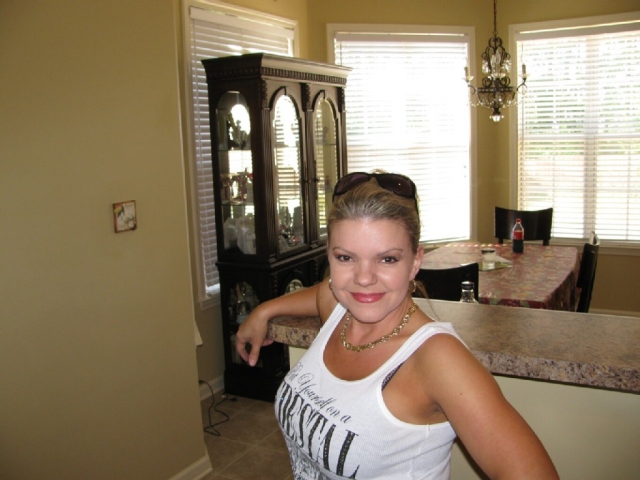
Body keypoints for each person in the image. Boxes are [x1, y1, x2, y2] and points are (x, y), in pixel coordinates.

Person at [236, 171, 559, 479]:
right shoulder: (337, 308)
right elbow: (321, 290)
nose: (363, 278)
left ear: (415, 261)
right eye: (346, 258)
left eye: (387, 259)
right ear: (330, 258)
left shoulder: (437, 359)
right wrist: (263, 310)